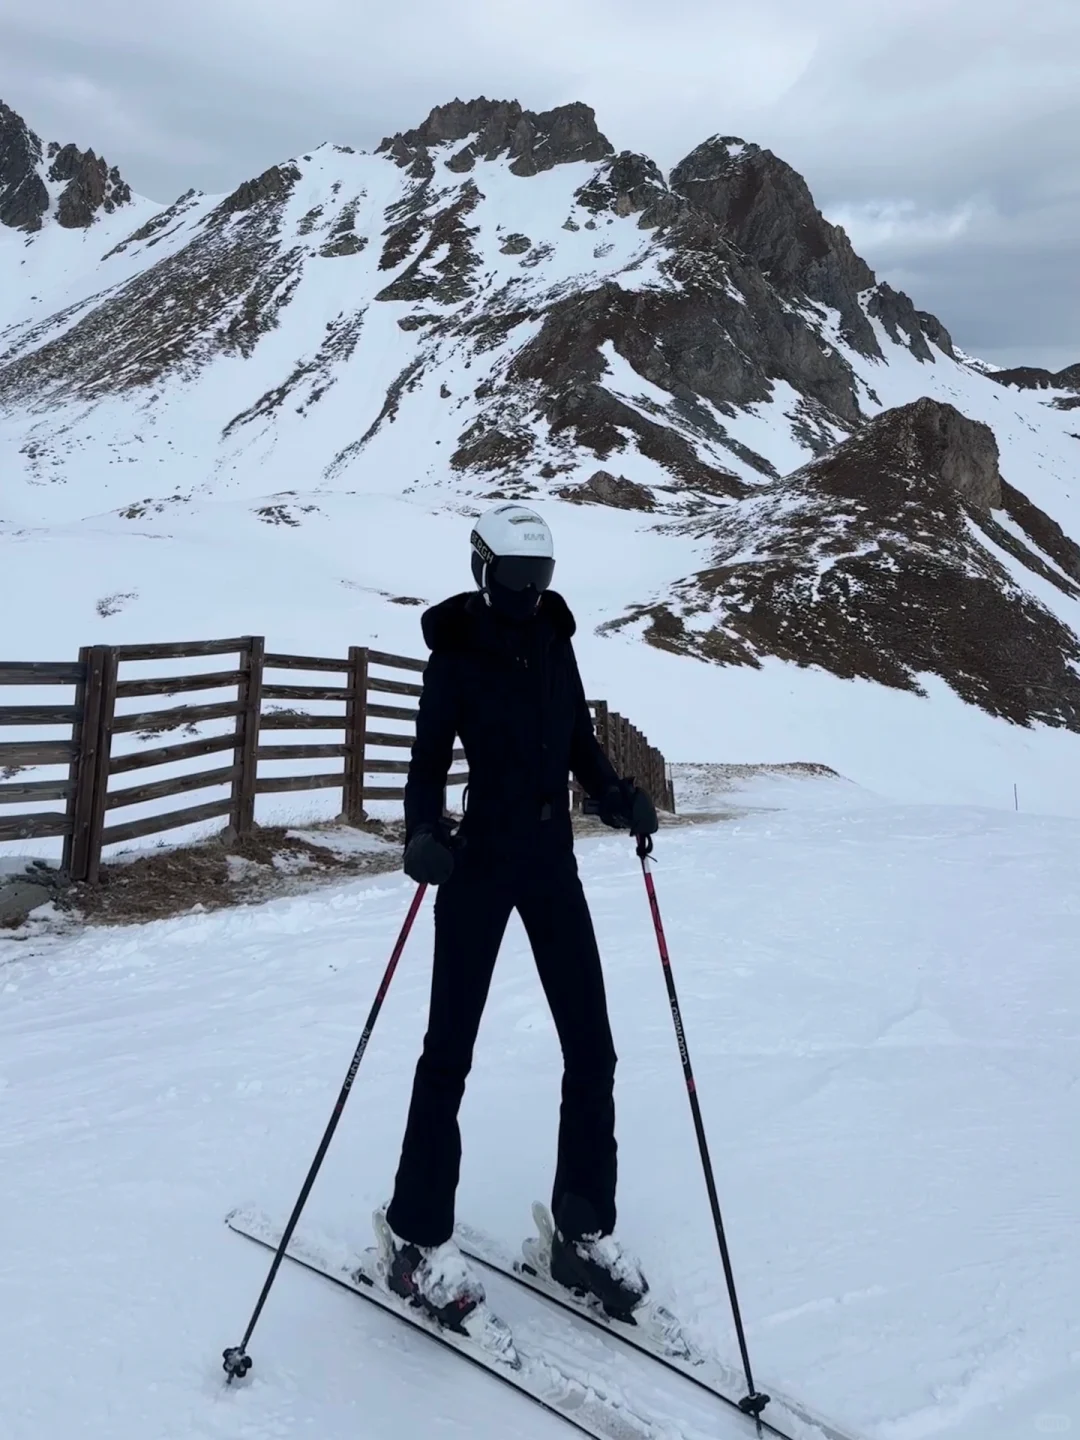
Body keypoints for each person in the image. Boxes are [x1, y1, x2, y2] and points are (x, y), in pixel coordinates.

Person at [380, 502, 659, 1332]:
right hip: (477, 866)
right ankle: (416, 1236)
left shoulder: (554, 638)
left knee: (593, 1046)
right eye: (515, 577)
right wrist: (423, 833)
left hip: (549, 864)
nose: (529, 592)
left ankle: (580, 1227)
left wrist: (615, 796)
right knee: (449, 1052)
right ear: (484, 570)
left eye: (540, 578)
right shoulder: (456, 654)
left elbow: (579, 738)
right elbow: (427, 760)